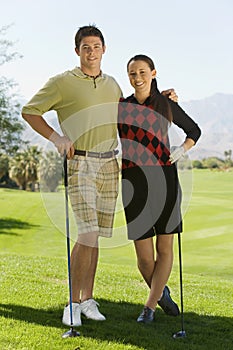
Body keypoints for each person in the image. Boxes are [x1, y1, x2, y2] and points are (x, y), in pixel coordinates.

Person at [22, 25, 178, 327]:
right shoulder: (61, 82)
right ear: (77, 51)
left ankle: (88, 299)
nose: (91, 51)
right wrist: (56, 138)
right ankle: (72, 302)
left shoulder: (112, 85)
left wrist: (164, 94)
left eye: (96, 46)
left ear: (103, 50)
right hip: (81, 162)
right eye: (85, 47)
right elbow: (30, 111)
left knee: (96, 237)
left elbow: (136, 104)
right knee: (88, 234)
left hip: (111, 165)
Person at [118, 54, 201, 323]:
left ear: (153, 73)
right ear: (128, 77)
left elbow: (194, 130)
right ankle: (161, 293)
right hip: (133, 183)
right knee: (143, 256)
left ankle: (149, 308)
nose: (137, 77)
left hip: (165, 180)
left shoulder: (166, 104)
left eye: (142, 72)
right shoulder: (122, 107)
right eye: (132, 73)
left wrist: (182, 149)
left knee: (164, 247)